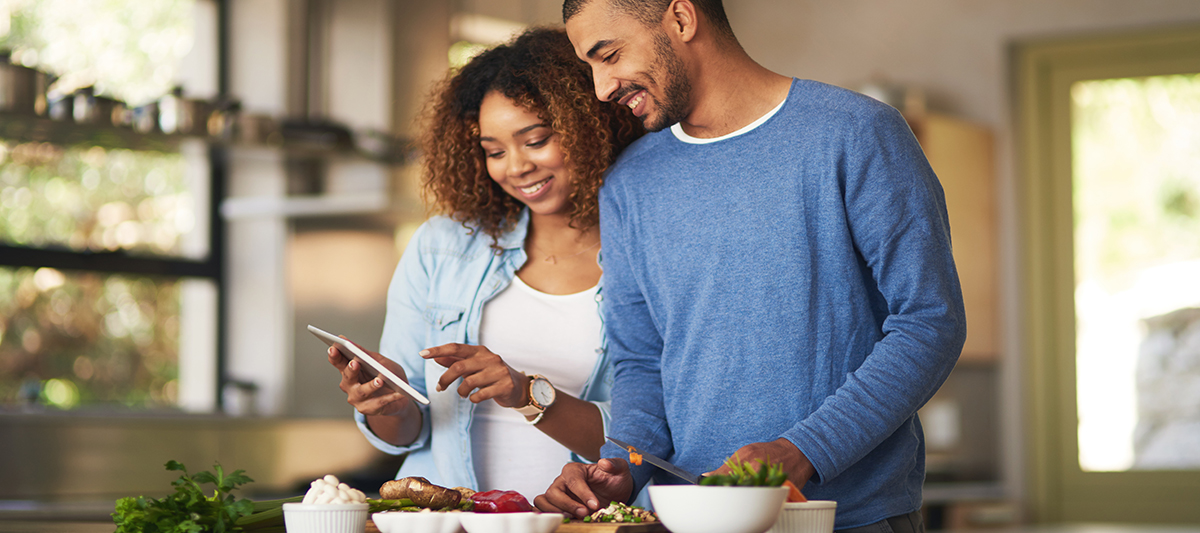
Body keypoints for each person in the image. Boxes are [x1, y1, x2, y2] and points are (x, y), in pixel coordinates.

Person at [535, 1, 966, 532]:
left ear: (681, 18)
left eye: (610, 55)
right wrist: (621, 465)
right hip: (688, 520)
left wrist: (802, 450)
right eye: (591, 67)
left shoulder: (857, 133)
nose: (602, 87)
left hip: (847, 518)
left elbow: (929, 322)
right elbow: (642, 362)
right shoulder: (630, 184)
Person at [324, 27, 643, 502]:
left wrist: (524, 392)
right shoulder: (441, 248)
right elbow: (407, 430)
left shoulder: (647, 256)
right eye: (494, 151)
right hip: (449, 519)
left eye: (535, 140)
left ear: (591, 126)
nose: (514, 167)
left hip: (581, 521)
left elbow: (645, 445)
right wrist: (384, 404)